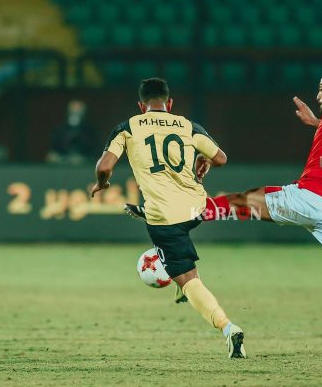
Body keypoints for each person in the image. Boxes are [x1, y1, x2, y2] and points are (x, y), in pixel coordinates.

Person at [126, 70, 322, 358]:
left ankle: (171, 214)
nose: (318, 94)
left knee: (241, 202)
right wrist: (317, 123)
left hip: (310, 197)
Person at [91, 78, 246, 359]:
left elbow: (104, 166)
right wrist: (205, 159)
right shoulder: (188, 126)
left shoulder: (127, 127)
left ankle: (228, 327)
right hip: (196, 207)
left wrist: (102, 183)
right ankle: (155, 226)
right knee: (180, 231)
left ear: (141, 106)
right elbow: (221, 157)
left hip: (165, 218)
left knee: (188, 278)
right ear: (169, 103)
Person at [47, 99, 98, 164]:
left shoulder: (90, 131)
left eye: (78, 111)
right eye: (73, 111)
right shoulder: (60, 130)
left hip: (84, 166)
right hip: (62, 164)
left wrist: (83, 158)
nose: (75, 113)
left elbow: (94, 151)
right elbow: (53, 151)